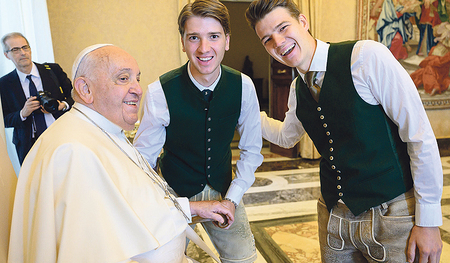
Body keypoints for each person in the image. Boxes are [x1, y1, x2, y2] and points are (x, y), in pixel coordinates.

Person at [245, 0, 443, 262]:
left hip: (391, 215)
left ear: (303, 22)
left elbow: (418, 135)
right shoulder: (297, 88)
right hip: (333, 219)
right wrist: (245, 112)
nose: (278, 42)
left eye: (283, 28)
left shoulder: (365, 57)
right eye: (267, 39)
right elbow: (286, 135)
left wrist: (428, 221)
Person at [8, 44, 234, 263]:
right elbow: (88, 252)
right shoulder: (72, 151)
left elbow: (127, 208)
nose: (137, 88)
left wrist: (193, 208)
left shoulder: (103, 130)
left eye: (137, 78)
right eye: (123, 78)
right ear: (85, 89)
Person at [133, 0, 263, 262]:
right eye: (194, 37)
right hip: (175, 196)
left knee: (244, 259)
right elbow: (142, 162)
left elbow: (252, 150)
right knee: (163, 259)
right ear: (183, 42)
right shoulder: (160, 91)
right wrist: (166, 206)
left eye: (213, 36)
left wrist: (232, 199)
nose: (204, 48)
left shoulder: (243, 86)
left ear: (227, 40)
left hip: (224, 191)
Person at [0, 32, 74, 164]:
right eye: (15, 49)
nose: (22, 53)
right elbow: (3, 119)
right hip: (30, 145)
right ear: (6, 55)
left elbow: (74, 95)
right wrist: (22, 113)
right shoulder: (4, 84)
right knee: (38, 183)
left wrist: (62, 105)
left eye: (25, 47)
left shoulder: (52, 70)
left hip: (63, 136)